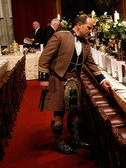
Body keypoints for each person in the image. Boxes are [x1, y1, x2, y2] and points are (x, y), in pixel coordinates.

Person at [38, 14, 112, 154]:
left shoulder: (85, 43)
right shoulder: (60, 36)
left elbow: (91, 64)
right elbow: (44, 57)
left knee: (75, 113)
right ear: (79, 25)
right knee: (58, 114)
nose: (90, 31)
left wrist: (103, 80)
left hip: (74, 81)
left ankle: (75, 140)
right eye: (88, 28)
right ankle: (60, 144)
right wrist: (43, 78)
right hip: (58, 79)